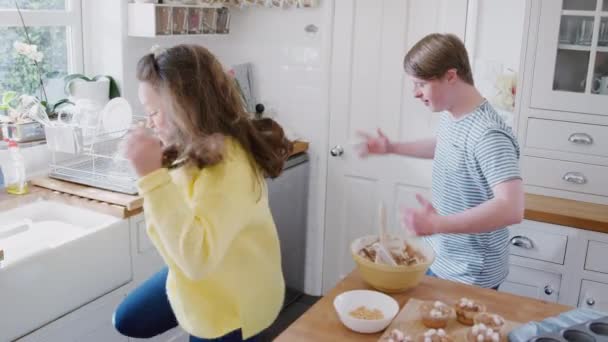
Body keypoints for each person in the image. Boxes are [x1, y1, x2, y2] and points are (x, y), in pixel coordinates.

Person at [113, 44, 292, 342]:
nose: (149, 121)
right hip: (206, 270)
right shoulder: (193, 144)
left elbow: (197, 259)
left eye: (154, 112)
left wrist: (152, 177)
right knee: (128, 319)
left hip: (235, 303)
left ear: (188, 108)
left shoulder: (230, 165)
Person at [357, 33, 524, 289]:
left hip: (471, 273)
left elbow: (511, 208)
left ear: (450, 76)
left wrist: (438, 223)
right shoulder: (455, 115)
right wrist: (392, 147)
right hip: (441, 257)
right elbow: (445, 147)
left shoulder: (488, 134)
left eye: (420, 84)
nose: (415, 93)